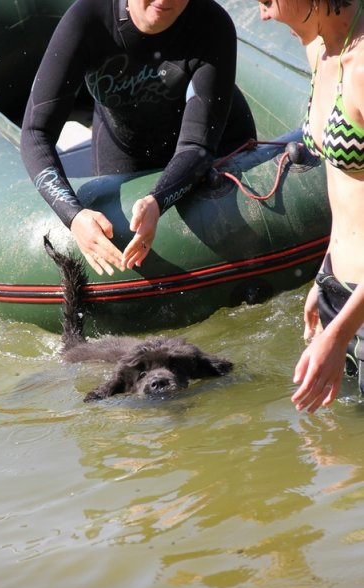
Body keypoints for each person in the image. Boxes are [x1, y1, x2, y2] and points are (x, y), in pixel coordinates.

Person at [21, 0, 256, 277]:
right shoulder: (88, 18)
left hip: (220, 142)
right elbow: (36, 133)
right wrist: (74, 217)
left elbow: (197, 145)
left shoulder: (211, 23)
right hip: (126, 149)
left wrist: (158, 199)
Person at [257, 0, 364, 412]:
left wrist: (339, 335)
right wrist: (324, 274)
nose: (264, 15)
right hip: (340, 293)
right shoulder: (320, 51)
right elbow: (347, 190)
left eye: (267, 1)